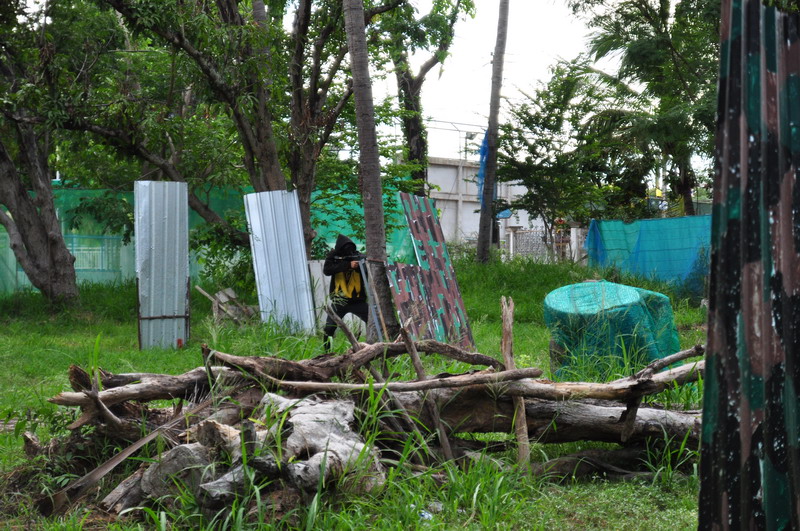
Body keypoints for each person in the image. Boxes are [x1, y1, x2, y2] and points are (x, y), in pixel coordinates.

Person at [322, 234, 369, 351]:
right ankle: (327, 352)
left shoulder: (358, 256)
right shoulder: (333, 257)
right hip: (339, 301)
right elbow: (327, 270)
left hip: (358, 301)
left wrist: (358, 266)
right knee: (329, 329)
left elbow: (366, 274)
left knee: (373, 322)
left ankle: (376, 347)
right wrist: (348, 265)